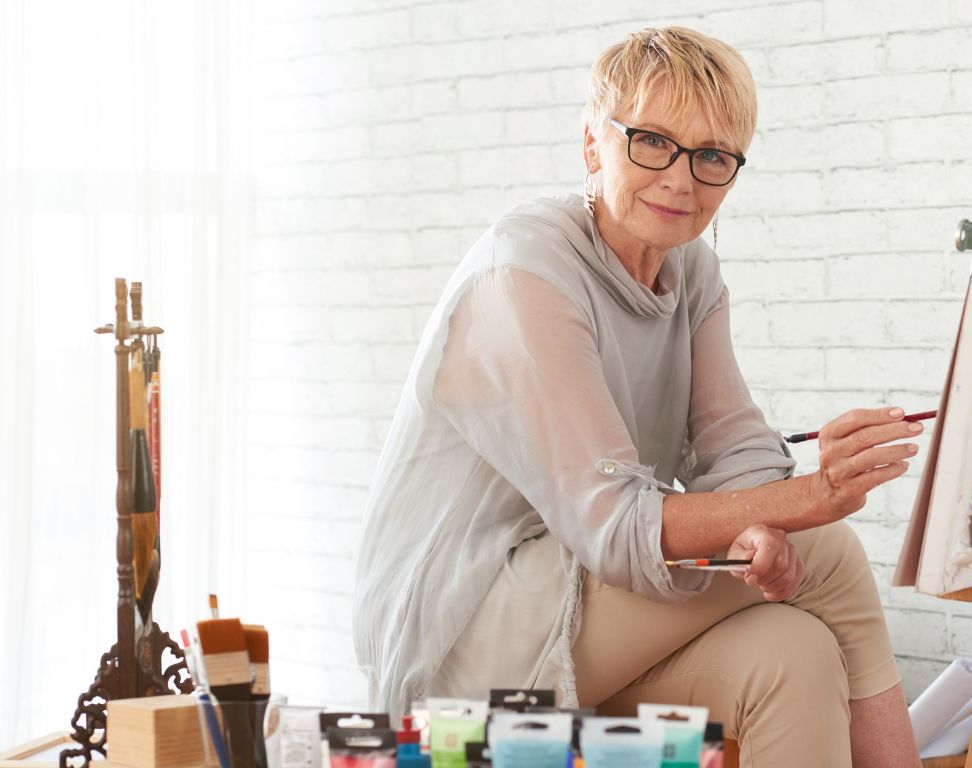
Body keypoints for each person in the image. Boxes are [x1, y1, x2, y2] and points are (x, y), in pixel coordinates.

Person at [354, 26, 923, 767]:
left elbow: (735, 446)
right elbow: (616, 526)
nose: (681, 179)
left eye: (712, 156)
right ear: (593, 143)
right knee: (832, 553)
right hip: (468, 638)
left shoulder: (692, 273)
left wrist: (758, 529)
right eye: (652, 141)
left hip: (585, 614)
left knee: (795, 652)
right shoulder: (524, 275)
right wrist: (807, 501)